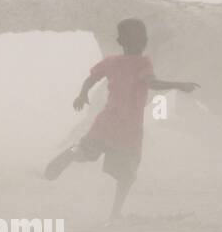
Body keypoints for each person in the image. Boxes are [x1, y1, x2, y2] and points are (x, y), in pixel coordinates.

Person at [44, 18, 198, 221]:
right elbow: (152, 83)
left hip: (107, 121)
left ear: (119, 41)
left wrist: (83, 94)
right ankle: (115, 214)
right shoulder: (143, 63)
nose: (143, 42)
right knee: (127, 176)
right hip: (129, 129)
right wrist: (179, 85)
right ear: (143, 41)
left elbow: (91, 78)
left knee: (87, 152)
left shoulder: (111, 62)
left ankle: (72, 154)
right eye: (141, 38)